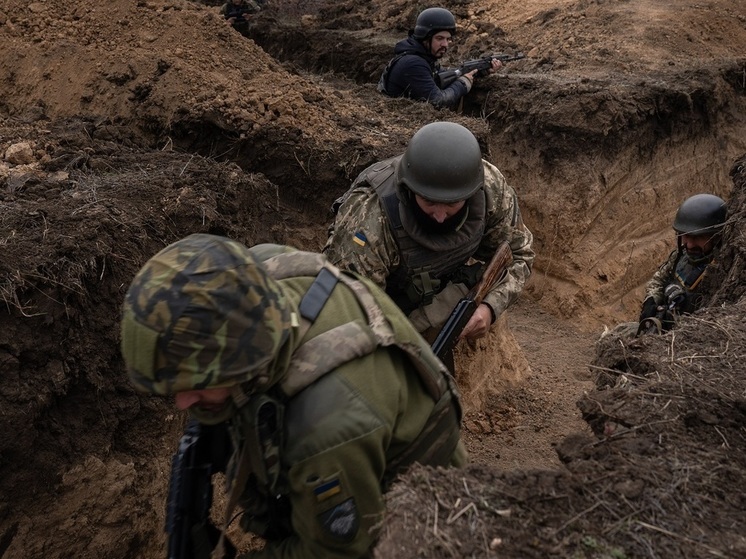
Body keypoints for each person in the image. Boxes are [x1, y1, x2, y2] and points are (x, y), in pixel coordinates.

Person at [120, 233, 466, 558]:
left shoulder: (325, 429)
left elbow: (337, 551)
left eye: (195, 384)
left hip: (425, 507)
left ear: (246, 363)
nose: (182, 402)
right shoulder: (257, 276)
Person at [323, 121, 534, 369]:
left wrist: (490, 307)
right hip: (378, 310)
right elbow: (349, 319)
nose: (440, 216)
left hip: (435, 290)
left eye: (453, 204)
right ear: (409, 188)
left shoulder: (489, 187)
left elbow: (520, 254)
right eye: (429, 202)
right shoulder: (369, 221)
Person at [636, 193, 728, 334]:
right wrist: (652, 299)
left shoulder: (720, 270)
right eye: (685, 236)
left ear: (716, 236)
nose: (689, 245)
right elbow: (659, 278)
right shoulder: (681, 256)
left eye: (697, 237)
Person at [377, 7, 502, 110]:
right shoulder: (413, 63)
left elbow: (446, 75)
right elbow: (438, 101)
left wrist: (480, 71)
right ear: (425, 38)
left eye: (448, 39)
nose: (445, 44)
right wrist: (462, 84)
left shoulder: (424, 58)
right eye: (440, 38)